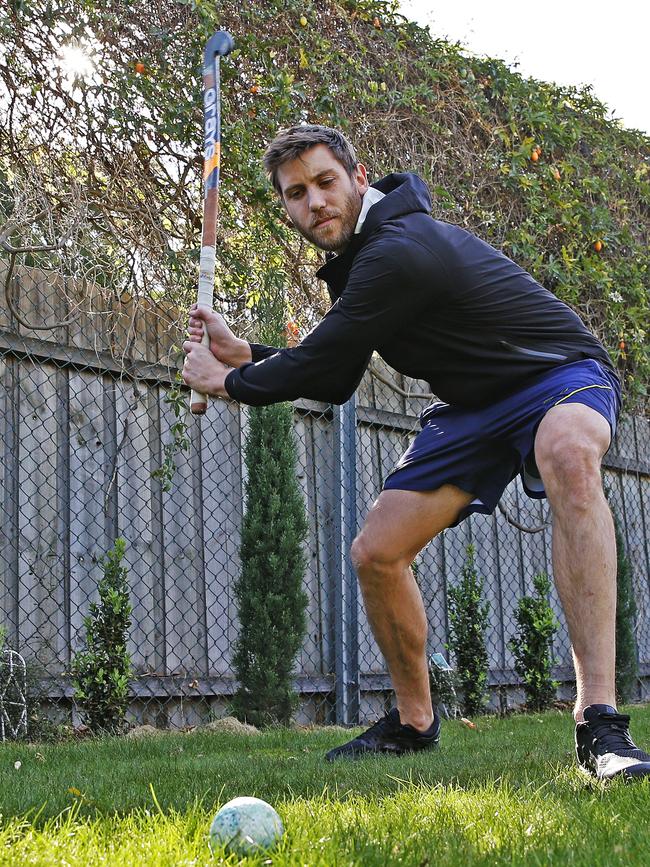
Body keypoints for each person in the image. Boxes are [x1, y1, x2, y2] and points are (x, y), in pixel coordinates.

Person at [182, 124, 649, 780]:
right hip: (472, 407)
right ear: (285, 207)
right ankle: (413, 721)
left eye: (325, 182)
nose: (313, 202)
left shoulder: (401, 248)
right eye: (296, 193)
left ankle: (599, 723)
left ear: (358, 177)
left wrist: (227, 380)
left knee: (569, 452)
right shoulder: (362, 261)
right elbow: (337, 370)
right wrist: (249, 356)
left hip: (556, 374)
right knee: (377, 552)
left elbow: (323, 362)